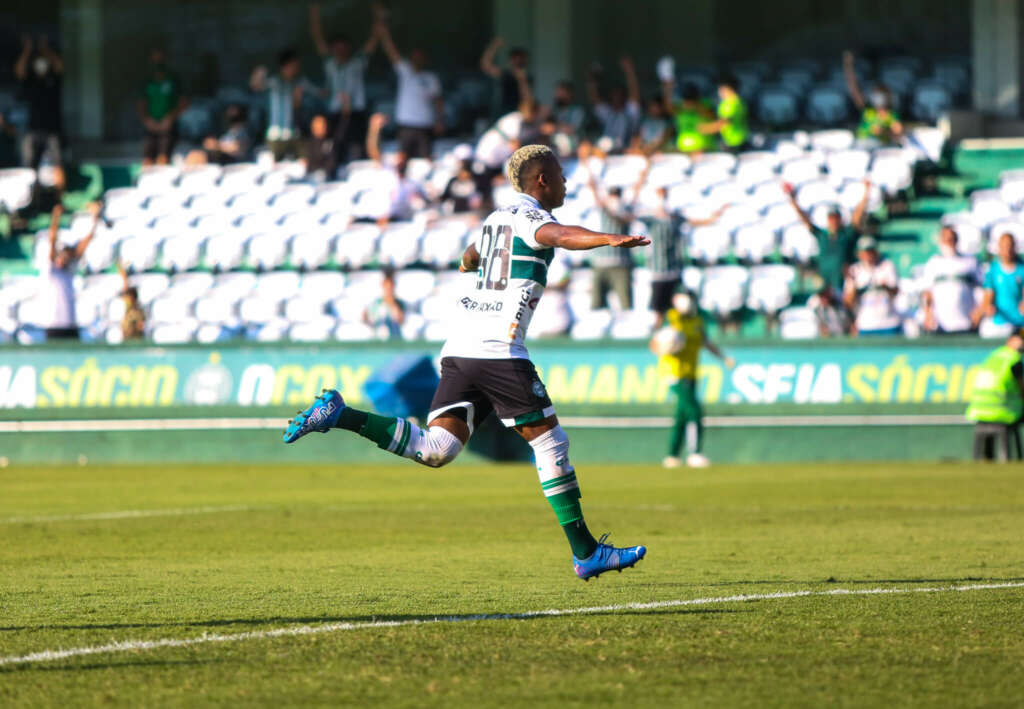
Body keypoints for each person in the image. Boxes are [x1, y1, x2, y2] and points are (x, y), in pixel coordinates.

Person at [284, 144, 650, 581]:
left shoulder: (496, 218)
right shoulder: (533, 218)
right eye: (559, 175)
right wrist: (608, 239)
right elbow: (561, 236)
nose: (566, 182)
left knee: (437, 449)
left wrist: (469, 262)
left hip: (460, 349)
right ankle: (587, 553)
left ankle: (339, 414)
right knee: (551, 445)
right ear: (541, 181)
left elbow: (471, 256)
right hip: (498, 350)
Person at [651, 288, 734, 469]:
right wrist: (666, 347)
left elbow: (706, 342)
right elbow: (655, 343)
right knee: (695, 411)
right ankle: (695, 453)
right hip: (674, 373)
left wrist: (723, 357)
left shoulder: (697, 321)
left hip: (691, 373)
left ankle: (672, 455)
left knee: (681, 415)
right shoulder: (671, 318)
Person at [636, 163, 727, 322]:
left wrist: (715, 216)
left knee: (679, 307)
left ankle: (679, 331)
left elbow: (699, 221)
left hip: (674, 269)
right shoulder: (651, 219)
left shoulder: (676, 219)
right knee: (658, 310)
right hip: (658, 272)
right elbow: (629, 214)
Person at [309, 2, 379, 164]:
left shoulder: (357, 62)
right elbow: (317, 36)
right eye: (337, 48)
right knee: (335, 150)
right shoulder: (330, 63)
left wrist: (377, 13)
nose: (341, 51)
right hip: (335, 113)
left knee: (358, 151)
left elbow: (374, 39)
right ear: (333, 49)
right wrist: (314, 11)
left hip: (356, 112)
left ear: (349, 48)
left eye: (344, 48)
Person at [784, 179, 872, 295]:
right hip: (825, 285)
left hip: (844, 284)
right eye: (831, 218)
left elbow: (857, 217)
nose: (833, 221)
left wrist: (866, 193)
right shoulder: (822, 235)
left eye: (836, 217)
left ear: (840, 219)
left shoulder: (846, 234)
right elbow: (805, 219)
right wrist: (792, 200)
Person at [375, 19, 443, 159]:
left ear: (424, 59)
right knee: (402, 158)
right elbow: (392, 52)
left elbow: (438, 101)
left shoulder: (431, 78)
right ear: (411, 58)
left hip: (425, 124)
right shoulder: (405, 71)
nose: (417, 59)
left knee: (426, 159)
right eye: (415, 56)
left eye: (420, 57)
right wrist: (384, 33)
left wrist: (439, 120)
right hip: (406, 124)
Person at [39, 202, 100, 341]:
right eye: (62, 256)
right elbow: (52, 240)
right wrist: (56, 217)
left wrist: (95, 219)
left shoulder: (69, 271)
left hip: (70, 324)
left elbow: (84, 244)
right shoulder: (51, 270)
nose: (64, 259)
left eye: (67, 257)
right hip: (54, 325)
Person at [15, 33, 66, 195]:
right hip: (35, 128)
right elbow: (20, 72)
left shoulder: (53, 79)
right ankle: (34, 195)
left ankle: (56, 195)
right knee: (33, 165)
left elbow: (59, 67)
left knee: (54, 164)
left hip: (50, 129)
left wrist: (45, 50)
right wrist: (28, 50)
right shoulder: (31, 80)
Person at [250, 49, 322, 161]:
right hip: (275, 135)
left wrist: (299, 100)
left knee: (304, 161)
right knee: (273, 165)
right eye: (294, 65)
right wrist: (259, 73)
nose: (296, 68)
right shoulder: (274, 82)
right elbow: (255, 86)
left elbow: (319, 93)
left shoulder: (300, 82)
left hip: (295, 133)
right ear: (285, 66)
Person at [585, 157, 635, 310]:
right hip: (601, 263)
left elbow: (623, 220)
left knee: (625, 303)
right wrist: (587, 166)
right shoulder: (605, 208)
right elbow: (594, 190)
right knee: (597, 304)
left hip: (621, 263)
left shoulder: (625, 210)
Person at [965, 333, 1024, 461]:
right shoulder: (1014, 360)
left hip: (979, 410)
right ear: (1010, 341)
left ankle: (987, 456)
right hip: (1003, 411)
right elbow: (1021, 389)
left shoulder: (993, 356)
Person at [365, 113, 428, 224]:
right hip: (379, 219)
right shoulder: (387, 172)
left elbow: (423, 200)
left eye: (402, 157)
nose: (400, 160)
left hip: (399, 221)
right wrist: (374, 130)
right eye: (398, 157)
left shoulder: (412, 182)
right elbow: (373, 151)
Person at [920, 226, 980, 335]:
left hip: (966, 324)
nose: (949, 242)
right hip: (940, 325)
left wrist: (978, 313)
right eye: (946, 239)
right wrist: (927, 314)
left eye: (952, 238)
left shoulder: (970, 261)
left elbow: (982, 290)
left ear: (957, 240)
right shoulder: (933, 263)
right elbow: (927, 293)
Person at [137, 49, 188, 166]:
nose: (157, 62)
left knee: (163, 159)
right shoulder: (147, 81)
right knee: (147, 160)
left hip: (168, 126)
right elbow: (141, 103)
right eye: (154, 59)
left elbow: (184, 102)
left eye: (160, 59)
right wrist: (147, 121)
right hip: (151, 126)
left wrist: (170, 118)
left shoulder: (173, 79)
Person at [843, 236, 902, 336]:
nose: (869, 255)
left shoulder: (887, 266)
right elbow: (848, 302)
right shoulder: (854, 270)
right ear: (859, 254)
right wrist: (854, 286)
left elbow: (896, 291)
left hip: (888, 323)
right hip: (866, 325)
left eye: (871, 251)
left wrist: (885, 286)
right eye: (865, 252)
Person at [844, 50, 904, 145]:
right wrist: (848, 66)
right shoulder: (868, 111)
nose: (877, 99)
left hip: (882, 148)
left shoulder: (892, 116)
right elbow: (854, 90)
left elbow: (898, 134)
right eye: (874, 96)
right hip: (862, 146)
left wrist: (884, 131)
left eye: (880, 96)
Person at [586, 56, 641, 155]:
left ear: (624, 97)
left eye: (619, 95)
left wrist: (629, 71)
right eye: (614, 95)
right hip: (605, 152)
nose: (616, 98)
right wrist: (592, 79)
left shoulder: (629, 112)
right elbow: (594, 99)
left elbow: (634, 95)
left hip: (624, 153)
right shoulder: (608, 113)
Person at [974, 233, 1024, 336]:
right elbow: (988, 296)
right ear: (999, 248)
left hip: (1020, 322)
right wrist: (987, 307)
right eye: (1004, 246)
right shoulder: (993, 270)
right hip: (1000, 323)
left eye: (1010, 246)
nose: (1007, 250)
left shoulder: (1021, 268)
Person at [479, 37, 531, 117]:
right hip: (503, 112)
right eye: (515, 60)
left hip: (519, 114)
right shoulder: (506, 74)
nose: (517, 63)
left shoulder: (527, 78)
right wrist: (493, 47)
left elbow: (527, 99)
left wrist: (521, 80)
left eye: (520, 61)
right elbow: (485, 66)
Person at [661, 82, 714, 155]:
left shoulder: (705, 104)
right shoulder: (680, 107)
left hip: (703, 150)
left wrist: (695, 106)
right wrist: (668, 90)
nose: (688, 102)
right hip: (683, 149)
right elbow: (669, 108)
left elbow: (711, 115)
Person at [698, 76, 749, 151]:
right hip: (733, 141)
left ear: (728, 89)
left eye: (721, 88)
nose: (719, 91)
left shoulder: (732, 104)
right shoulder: (735, 102)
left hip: (735, 142)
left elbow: (724, 122)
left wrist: (704, 129)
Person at [363, 267, 406, 339]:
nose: (388, 290)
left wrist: (392, 303)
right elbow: (368, 320)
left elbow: (401, 320)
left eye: (390, 287)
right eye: (386, 287)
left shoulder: (399, 303)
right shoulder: (376, 304)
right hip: (378, 339)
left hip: (394, 339)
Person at [303, 114, 337, 181]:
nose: (319, 128)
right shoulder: (310, 142)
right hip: (311, 176)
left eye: (322, 126)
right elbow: (309, 162)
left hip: (325, 177)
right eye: (316, 126)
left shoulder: (329, 142)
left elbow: (331, 163)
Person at [118, 261, 146, 341]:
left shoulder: (137, 312)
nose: (125, 298)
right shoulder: (124, 308)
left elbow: (140, 327)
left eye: (128, 296)